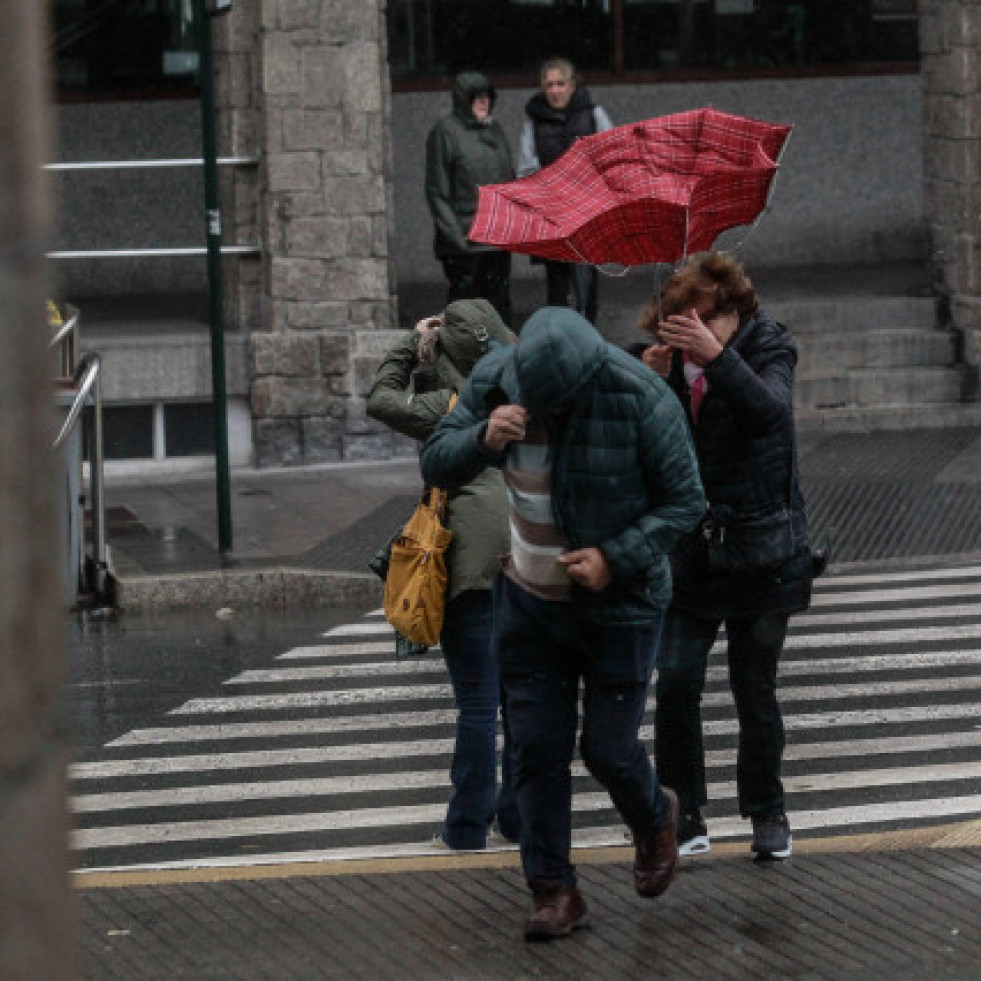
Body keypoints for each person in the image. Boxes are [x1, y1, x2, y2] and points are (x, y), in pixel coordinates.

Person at [420, 306, 706, 941]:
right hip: (528, 602)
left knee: (606, 747)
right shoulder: (498, 378)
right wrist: (482, 438)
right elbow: (436, 460)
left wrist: (614, 557)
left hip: (618, 608)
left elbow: (686, 501)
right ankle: (553, 890)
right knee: (535, 751)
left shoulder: (638, 394)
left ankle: (655, 815)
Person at [636, 252, 814, 863]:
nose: (697, 331)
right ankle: (682, 810)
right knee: (677, 677)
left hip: (762, 552)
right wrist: (652, 380)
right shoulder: (673, 363)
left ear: (736, 311)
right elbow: (647, 447)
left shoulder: (770, 348)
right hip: (693, 554)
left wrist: (717, 358)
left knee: (753, 688)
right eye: (685, 321)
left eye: (707, 319)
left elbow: (769, 415)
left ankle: (767, 809)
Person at [366, 299, 520, 851]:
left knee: (477, 701)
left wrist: (412, 343)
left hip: (471, 560)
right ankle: (519, 819)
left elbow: (380, 399)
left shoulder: (446, 402)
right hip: (529, 553)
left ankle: (466, 826)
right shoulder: (525, 391)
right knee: (519, 700)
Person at [517, 57, 614, 325]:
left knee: (586, 280)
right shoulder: (533, 122)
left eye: (560, 83)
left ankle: (588, 334)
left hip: (586, 209)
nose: (555, 90)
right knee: (556, 283)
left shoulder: (593, 114)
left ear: (571, 85)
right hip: (553, 211)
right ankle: (558, 337)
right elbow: (526, 169)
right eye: (549, 85)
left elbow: (611, 158)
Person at [426, 72, 514, 327]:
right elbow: (437, 190)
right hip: (465, 242)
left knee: (498, 309)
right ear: (464, 100)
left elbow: (508, 177)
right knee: (465, 314)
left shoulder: (494, 130)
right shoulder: (445, 133)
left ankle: (501, 361)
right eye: (476, 98)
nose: (483, 102)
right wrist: (456, 238)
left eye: (487, 97)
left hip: (496, 239)